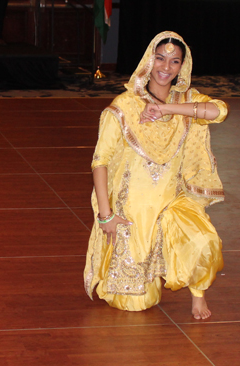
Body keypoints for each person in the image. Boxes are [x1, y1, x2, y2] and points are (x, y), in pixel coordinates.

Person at [84, 31, 228, 320]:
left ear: (182, 67)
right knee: (135, 303)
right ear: (149, 60)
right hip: (133, 210)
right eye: (160, 58)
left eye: (174, 61)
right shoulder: (124, 106)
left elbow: (219, 111)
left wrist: (166, 108)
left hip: (173, 200)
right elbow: (100, 161)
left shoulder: (186, 102)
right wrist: (106, 215)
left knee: (204, 242)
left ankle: (198, 293)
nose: (166, 67)